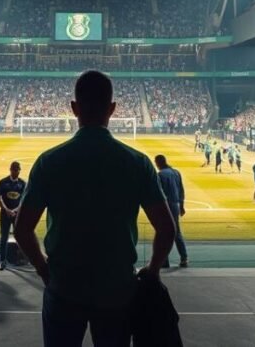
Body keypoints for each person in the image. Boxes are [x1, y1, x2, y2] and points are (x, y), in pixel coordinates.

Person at [14, 71, 176, 347]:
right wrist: (153, 269)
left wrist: (43, 268)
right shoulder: (137, 162)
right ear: (112, 109)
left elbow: (21, 228)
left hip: (64, 286)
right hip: (117, 289)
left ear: (73, 108)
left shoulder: (49, 162)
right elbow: (166, 229)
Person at [155, 154, 189, 268]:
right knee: (176, 232)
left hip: (166, 206)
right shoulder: (176, 172)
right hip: (175, 204)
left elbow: (159, 193)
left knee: (163, 232)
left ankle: (164, 261)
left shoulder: (160, 175)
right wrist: (182, 206)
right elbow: (181, 190)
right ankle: (184, 258)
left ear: (158, 163)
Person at [0, 161, 27, 270]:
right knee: (4, 237)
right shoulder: (3, 182)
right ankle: (2, 261)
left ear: (19, 170)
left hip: (17, 214)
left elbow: (24, 200)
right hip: (5, 214)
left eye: (17, 170)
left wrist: (15, 210)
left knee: (20, 236)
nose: (16, 172)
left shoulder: (23, 183)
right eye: (14, 169)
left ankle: (22, 259)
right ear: (10, 169)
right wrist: (7, 210)